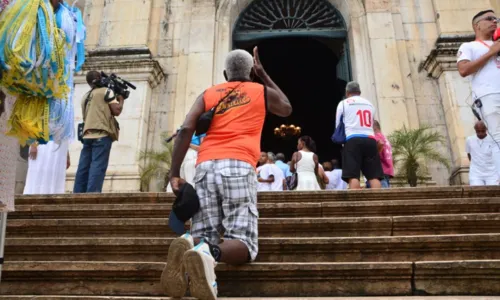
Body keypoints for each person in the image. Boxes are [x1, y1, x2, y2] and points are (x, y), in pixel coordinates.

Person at [163, 47, 292, 300]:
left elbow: (187, 127)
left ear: (225, 73)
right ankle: (208, 254)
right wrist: (263, 75)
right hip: (239, 164)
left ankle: (192, 247)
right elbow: (286, 108)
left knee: (203, 230)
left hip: (205, 166)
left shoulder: (209, 93)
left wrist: (174, 172)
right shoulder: (260, 91)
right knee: (244, 242)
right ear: (251, 73)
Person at [457, 9, 500, 179]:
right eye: (489, 19)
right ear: (477, 25)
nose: (494, 22)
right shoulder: (469, 46)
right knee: (497, 138)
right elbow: (464, 69)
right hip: (488, 95)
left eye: (496, 19)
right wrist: (491, 52)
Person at [73, 71, 125, 193]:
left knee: (83, 168)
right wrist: (121, 99)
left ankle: (78, 195)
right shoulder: (106, 92)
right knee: (98, 167)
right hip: (101, 135)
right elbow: (117, 110)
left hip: (87, 135)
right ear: (98, 79)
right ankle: (92, 196)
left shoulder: (85, 96)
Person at [335, 81, 383, 189]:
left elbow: (338, 125)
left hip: (352, 140)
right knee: (374, 176)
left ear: (347, 92)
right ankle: (379, 203)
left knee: (353, 176)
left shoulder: (343, 103)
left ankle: (356, 204)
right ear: (359, 92)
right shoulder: (370, 104)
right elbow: (372, 123)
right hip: (370, 140)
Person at [466, 121, 499, 185]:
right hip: (476, 174)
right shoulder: (469, 140)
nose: (480, 133)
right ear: (475, 130)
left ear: (486, 129)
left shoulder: (493, 140)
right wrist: (477, 163)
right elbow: (469, 154)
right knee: (476, 192)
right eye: (478, 131)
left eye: (483, 131)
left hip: (492, 173)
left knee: (493, 193)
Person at [373, 120, 394, 188]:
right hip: (387, 169)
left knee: (383, 193)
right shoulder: (384, 137)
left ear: (374, 128)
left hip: (381, 169)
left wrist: (375, 156)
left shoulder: (377, 136)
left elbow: (381, 143)